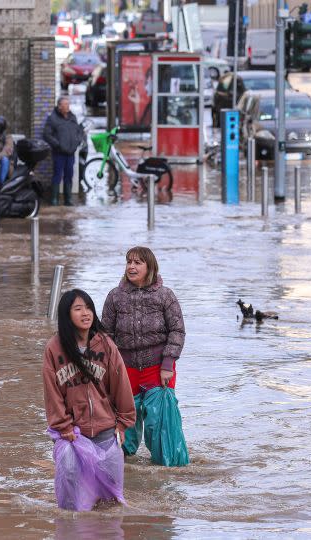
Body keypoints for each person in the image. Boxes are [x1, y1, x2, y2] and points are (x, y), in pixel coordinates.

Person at [43, 289, 136, 507]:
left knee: (110, 501)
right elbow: (52, 392)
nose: (86, 313)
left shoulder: (105, 344)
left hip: (106, 432)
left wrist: (123, 424)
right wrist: (63, 426)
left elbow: (121, 384)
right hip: (73, 437)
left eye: (88, 308)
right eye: (78, 309)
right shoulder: (54, 348)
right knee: (72, 504)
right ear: (67, 315)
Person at [101, 246, 186, 459]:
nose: (131, 266)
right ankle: (125, 475)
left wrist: (168, 364)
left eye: (137, 262)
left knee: (161, 428)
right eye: (129, 262)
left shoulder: (165, 295)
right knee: (122, 430)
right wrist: (109, 369)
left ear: (150, 267)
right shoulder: (115, 297)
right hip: (124, 370)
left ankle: (167, 471)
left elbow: (177, 331)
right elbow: (105, 336)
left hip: (159, 370)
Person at [42, 96, 83, 206]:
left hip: (71, 153)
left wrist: (78, 141)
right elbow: (46, 134)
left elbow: (79, 131)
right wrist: (57, 145)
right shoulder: (53, 118)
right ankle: (54, 199)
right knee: (57, 175)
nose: (67, 106)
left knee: (69, 175)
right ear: (59, 106)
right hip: (59, 153)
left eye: (68, 104)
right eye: (65, 104)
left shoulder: (72, 117)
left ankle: (67, 199)